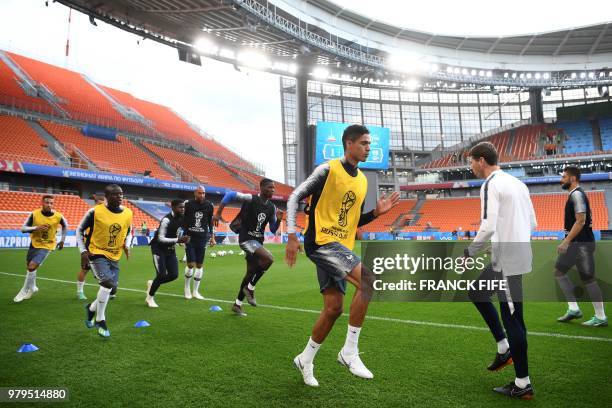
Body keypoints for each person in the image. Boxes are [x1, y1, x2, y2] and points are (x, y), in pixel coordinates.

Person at [285, 124, 400, 387]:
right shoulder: (327, 170)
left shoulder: (361, 180)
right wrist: (292, 235)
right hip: (322, 242)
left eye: (369, 144)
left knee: (333, 309)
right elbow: (294, 197)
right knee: (369, 281)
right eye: (364, 143)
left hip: (341, 247)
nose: (368, 148)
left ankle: (305, 359)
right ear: (348, 143)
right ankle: (349, 352)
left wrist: (375, 214)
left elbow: (351, 219)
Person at [465, 142, 537, 399]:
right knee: (477, 292)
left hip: (508, 262)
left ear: (482, 160)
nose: (471, 166)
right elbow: (532, 222)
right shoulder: (518, 184)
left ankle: (522, 383)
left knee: (514, 319)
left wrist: (470, 252)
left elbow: (488, 225)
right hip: (512, 256)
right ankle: (504, 346)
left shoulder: (491, 184)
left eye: (471, 161)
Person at [214, 178, 283, 316]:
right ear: (261, 188)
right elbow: (230, 195)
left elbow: (274, 229)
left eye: (274, 188)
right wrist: (218, 213)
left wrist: (279, 219)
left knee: (250, 273)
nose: (273, 190)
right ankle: (250, 288)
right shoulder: (250, 199)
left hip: (257, 242)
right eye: (270, 187)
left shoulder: (271, 207)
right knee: (269, 259)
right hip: (246, 239)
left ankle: (237, 305)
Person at [77, 184, 133, 338]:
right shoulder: (94, 211)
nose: (120, 197)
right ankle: (101, 319)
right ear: (107, 197)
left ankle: (91, 309)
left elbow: (128, 231)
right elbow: (79, 230)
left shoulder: (128, 213)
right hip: (96, 252)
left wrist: (127, 245)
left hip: (115, 255)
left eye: (121, 194)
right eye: (115, 194)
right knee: (107, 283)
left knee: (112, 289)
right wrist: (83, 251)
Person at [554, 166, 607, 327]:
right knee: (559, 272)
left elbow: (581, 221)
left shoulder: (576, 195)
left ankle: (601, 317)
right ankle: (574, 309)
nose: (561, 179)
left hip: (581, 245)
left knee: (589, 279)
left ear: (572, 178)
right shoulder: (573, 195)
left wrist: (566, 241)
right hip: (576, 245)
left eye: (564, 177)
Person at [14, 194, 67, 303]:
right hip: (34, 243)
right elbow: (23, 229)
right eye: (47, 202)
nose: (49, 205)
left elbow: (65, 226)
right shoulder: (34, 214)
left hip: (48, 245)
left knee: (32, 267)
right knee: (29, 267)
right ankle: (33, 287)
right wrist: (36, 228)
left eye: (51, 203)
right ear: (42, 203)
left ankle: (24, 290)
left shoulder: (58, 216)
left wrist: (62, 240)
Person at [145, 199, 190, 308]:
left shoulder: (183, 218)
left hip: (170, 249)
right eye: (180, 207)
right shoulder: (166, 220)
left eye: (183, 207)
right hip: (158, 249)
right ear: (173, 207)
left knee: (174, 275)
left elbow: (180, 231)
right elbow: (160, 239)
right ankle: (150, 297)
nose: (183, 209)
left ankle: (152, 284)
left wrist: (183, 239)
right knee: (161, 274)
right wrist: (178, 240)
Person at [182, 186, 215, 299]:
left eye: (204, 193)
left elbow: (210, 222)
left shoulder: (209, 205)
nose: (202, 195)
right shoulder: (188, 204)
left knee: (199, 266)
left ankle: (195, 291)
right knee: (190, 264)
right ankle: (187, 288)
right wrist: (182, 235)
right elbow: (184, 219)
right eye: (200, 193)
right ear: (195, 193)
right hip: (190, 238)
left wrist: (212, 237)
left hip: (202, 238)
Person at [76, 192, 105, 300]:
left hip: (102, 247)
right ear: (97, 202)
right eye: (101, 203)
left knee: (105, 269)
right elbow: (80, 230)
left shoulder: (105, 213)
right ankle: (79, 291)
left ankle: (108, 291)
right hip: (90, 246)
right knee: (85, 269)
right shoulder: (92, 213)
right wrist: (84, 249)